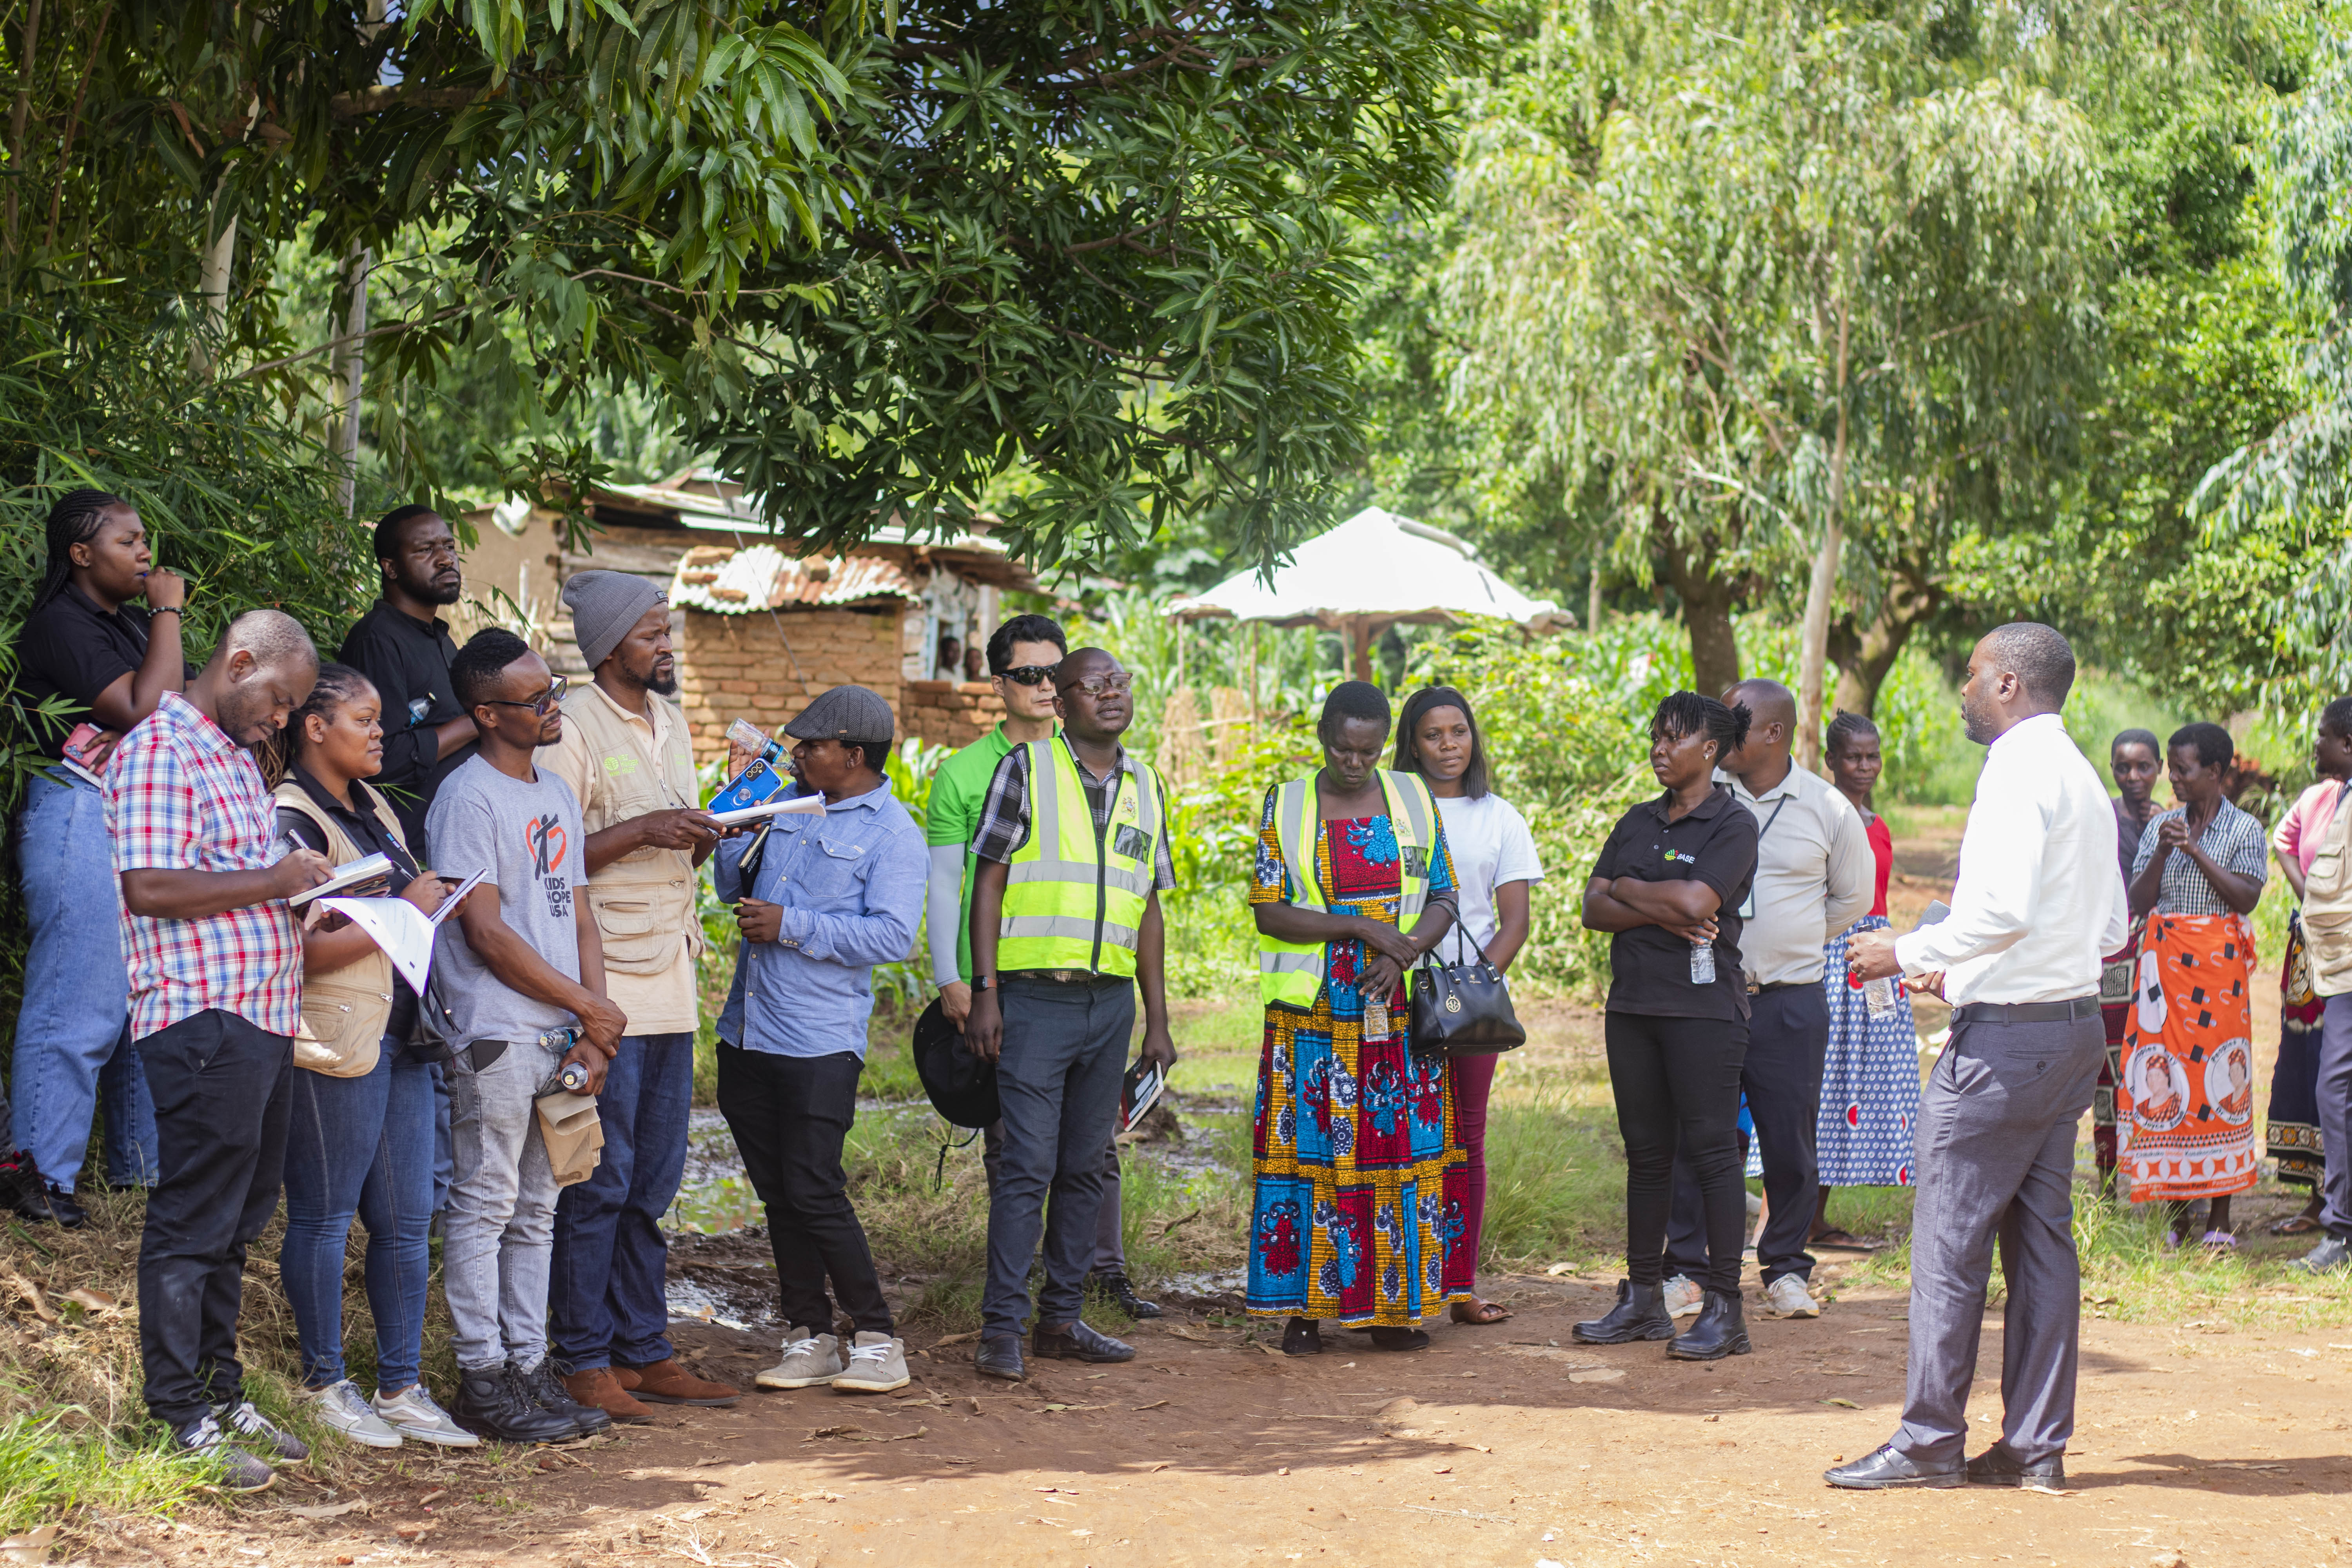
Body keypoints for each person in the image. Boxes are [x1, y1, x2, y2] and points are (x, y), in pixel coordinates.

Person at [1833, 622, 2127, 1492]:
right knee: (2042, 1247)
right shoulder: (2080, 774)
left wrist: (1907, 953)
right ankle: (2035, 1449)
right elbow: (2110, 928)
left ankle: (1929, 1440)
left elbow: (2000, 911)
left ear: (2007, 684)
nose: (1963, 690)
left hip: (2006, 1047)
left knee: (1949, 1245)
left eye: (1971, 674)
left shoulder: (2014, 768)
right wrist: (1968, 969)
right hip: (2071, 1032)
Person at [110, 610, 332, 1493]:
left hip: (263, 1015)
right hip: (203, 1017)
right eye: (280, 700)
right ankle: (177, 1416)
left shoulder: (237, 759)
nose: (282, 719)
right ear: (239, 662)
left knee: (237, 1221)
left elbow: (234, 881)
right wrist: (274, 880)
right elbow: (149, 885)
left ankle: (221, 1392)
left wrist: (300, 896)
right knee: (193, 1221)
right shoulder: (160, 748)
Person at [540, 572, 737, 1424]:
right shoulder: (573, 726)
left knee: (654, 1181)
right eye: (652, 633)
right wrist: (647, 828)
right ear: (610, 645)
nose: (667, 645)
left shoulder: (673, 721)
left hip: (673, 979)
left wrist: (710, 828)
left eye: (667, 630)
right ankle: (582, 1357)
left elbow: (676, 852)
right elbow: (551, 857)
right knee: (599, 1180)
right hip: (607, 983)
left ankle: (643, 1347)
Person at [268, 666, 478, 1450]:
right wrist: (401, 910)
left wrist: (428, 902)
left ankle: (402, 1388)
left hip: (404, 1033)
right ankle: (324, 1383)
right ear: (315, 727)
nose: (381, 732)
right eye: (365, 719)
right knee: (324, 1216)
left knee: (405, 1220)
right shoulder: (291, 815)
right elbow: (297, 949)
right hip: (337, 1035)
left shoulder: (375, 805)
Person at [428, 629, 623, 1445]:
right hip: (497, 1033)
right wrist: (585, 1006)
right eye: (537, 698)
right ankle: (482, 1377)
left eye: (554, 690)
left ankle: (529, 1365)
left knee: (539, 1207)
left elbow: (578, 915)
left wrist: (594, 1025)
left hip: (559, 1033)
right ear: (486, 713)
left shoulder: (553, 794)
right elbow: (485, 932)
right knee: (486, 1201)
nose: (553, 707)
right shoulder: (467, 799)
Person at [967, 650, 1178, 1379]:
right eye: (1094, 686)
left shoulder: (1147, 785)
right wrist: (985, 990)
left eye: (1120, 682)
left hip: (1110, 1004)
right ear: (1061, 703)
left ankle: (1060, 1319)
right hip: (1034, 1000)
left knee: (1086, 1165)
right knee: (1027, 1166)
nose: (1111, 694)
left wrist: (1157, 1018)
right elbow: (988, 885)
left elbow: (1148, 907)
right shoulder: (1024, 771)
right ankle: (1001, 1328)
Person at [715, 686, 927, 1396]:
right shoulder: (788, 807)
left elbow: (893, 936)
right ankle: (810, 1337)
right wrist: (737, 820)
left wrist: (792, 926)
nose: (800, 755)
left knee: (815, 1188)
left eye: (813, 746)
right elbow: (729, 890)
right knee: (779, 1195)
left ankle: (878, 1339)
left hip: (818, 1042)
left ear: (854, 756)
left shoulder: (894, 833)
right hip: (747, 1033)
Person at [1245, 681, 1463, 1355]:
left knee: (1395, 1155)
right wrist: (1359, 929)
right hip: (1313, 1018)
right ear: (1323, 736)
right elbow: (1269, 910)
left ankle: (1391, 1313)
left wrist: (1404, 952)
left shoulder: (1414, 798)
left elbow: (1444, 896)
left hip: (1395, 1014)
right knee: (1312, 1158)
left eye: (1369, 752)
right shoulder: (1287, 804)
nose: (1355, 762)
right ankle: (1305, 1314)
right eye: (1343, 748)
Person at [1658, 680, 1870, 1323]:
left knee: (1789, 1142)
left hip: (1790, 1001)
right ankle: (1687, 1272)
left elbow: (1853, 899)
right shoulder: (1698, 796)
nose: (1716, 737)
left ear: (1774, 734)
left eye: (1734, 725)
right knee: (1698, 1137)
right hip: (1707, 998)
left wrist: (1794, 942)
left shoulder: (1827, 808)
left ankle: (1786, 1271)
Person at [9, 488, 179, 1224]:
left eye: (145, 541)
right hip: (76, 809)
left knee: (141, 993)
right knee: (78, 999)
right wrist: (169, 614)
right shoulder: (60, 622)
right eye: (128, 541)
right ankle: (41, 1178)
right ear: (81, 554)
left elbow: (177, 711)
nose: (145, 552)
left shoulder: (128, 624)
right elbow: (148, 710)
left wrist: (152, 695)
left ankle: (139, 1170)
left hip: (128, 816)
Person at [1576, 692, 1759, 1361]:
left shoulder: (1733, 824)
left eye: (1673, 738)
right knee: (1647, 1155)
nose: (1658, 748)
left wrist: (1627, 889)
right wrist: (1653, 902)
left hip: (1703, 1012)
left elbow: (1697, 900)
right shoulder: (1637, 820)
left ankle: (1725, 1309)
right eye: (1655, 736)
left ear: (1708, 750)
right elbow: (1592, 908)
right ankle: (1643, 1300)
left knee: (1712, 1154)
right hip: (1633, 1009)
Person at [1392, 684, 1543, 1327]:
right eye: (1433, 735)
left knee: (1466, 1140)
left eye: (1459, 732)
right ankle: (1398, 1284)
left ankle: (1460, 1286)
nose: (1449, 745)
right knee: (1397, 1139)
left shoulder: (1499, 817)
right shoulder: (1391, 811)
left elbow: (1515, 922)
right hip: (1390, 992)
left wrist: (1466, 991)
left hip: (1469, 1002)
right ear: (1413, 744)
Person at [2122, 721, 2265, 1246]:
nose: (2174, 779)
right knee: (2168, 1075)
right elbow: (2138, 902)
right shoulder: (2163, 827)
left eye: (2183, 770)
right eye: (2174, 770)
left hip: (2218, 972)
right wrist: (2164, 851)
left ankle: (2219, 1218)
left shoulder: (2244, 830)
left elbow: (2246, 898)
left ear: (2215, 772)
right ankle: (2177, 1211)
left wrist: (2197, 851)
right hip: (2165, 975)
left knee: (2224, 1075)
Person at [1808, 711, 1922, 1243]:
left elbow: (1878, 899)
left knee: (1872, 1072)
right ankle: (1784, 1220)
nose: (1864, 766)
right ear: (1831, 760)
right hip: (1834, 958)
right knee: (1826, 1077)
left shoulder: (1878, 826)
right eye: (1852, 757)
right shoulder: (1822, 819)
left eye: (1872, 756)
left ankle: (1815, 1217)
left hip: (1876, 962)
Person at [337, 505, 477, 857]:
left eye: (449, 547)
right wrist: (476, 721)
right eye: (426, 550)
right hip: (411, 853)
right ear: (391, 568)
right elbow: (381, 758)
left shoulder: (440, 639)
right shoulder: (377, 640)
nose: (446, 559)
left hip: (458, 842)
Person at [2265, 700, 2352, 1233]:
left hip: (2342, 958)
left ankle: (2340, 1215)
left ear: (2347, 744)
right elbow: (2283, 840)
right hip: (2317, 957)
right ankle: (2326, 1204)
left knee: (2336, 1080)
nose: (2315, 744)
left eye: (2322, 735)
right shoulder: (2323, 797)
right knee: (2317, 1072)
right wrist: (2310, 904)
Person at [2094, 730, 2163, 1192]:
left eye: (2143, 767)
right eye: (2123, 767)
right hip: (2112, 956)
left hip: (2163, 957)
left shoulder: (2174, 820)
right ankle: (2108, 1181)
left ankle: (2161, 1175)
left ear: (2160, 769)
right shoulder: (2103, 818)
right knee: (2110, 1066)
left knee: (2160, 1062)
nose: (2133, 776)